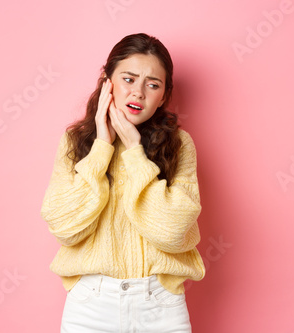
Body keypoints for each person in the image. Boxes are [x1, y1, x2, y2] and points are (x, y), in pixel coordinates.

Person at [40, 32, 205, 333]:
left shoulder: (179, 144)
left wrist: (134, 151)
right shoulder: (75, 142)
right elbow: (65, 227)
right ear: (107, 81)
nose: (138, 93)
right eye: (128, 79)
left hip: (161, 306)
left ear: (164, 96)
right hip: (90, 305)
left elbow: (173, 230)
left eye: (152, 85)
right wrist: (103, 147)